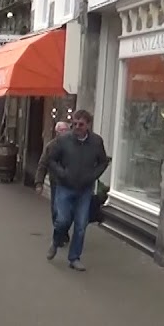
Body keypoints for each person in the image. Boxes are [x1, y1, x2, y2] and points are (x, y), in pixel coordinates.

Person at [40, 109, 110, 271]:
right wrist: (62, 174)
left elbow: (103, 161)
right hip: (65, 187)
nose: (77, 127)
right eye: (75, 123)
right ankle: (56, 242)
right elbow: (51, 159)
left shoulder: (96, 142)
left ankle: (74, 258)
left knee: (80, 225)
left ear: (88, 125)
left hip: (84, 189)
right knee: (62, 220)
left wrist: (93, 175)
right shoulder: (64, 141)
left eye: (81, 124)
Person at [34, 121, 71, 247]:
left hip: (71, 183)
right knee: (56, 209)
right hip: (56, 182)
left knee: (68, 210)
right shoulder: (51, 146)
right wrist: (39, 183)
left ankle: (63, 231)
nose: (65, 132)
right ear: (57, 132)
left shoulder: (73, 146)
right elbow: (43, 164)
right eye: (63, 130)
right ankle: (59, 234)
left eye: (67, 129)